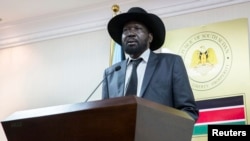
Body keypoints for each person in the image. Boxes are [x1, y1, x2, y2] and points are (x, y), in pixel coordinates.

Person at [102, 7, 199, 121]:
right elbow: (105, 115)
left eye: (137, 28)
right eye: (126, 30)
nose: (130, 34)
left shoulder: (171, 64)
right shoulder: (111, 73)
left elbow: (188, 111)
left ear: (150, 37)